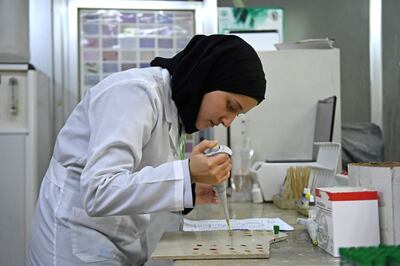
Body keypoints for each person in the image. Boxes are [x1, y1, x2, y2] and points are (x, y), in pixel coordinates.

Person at [27, 34, 266, 265]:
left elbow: (139, 176)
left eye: (238, 113)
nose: (228, 121)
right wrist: (186, 173)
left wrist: (189, 191)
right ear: (207, 77)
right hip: (76, 242)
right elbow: (100, 191)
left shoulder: (176, 109)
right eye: (231, 106)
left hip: (114, 242)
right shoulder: (135, 93)